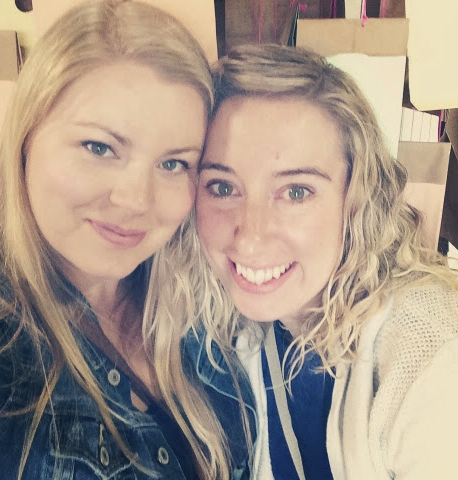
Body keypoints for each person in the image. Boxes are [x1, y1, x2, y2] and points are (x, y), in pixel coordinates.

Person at [0, 2, 255, 479]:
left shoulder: (208, 302)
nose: (136, 201)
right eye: (99, 147)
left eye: (174, 164)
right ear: (26, 139)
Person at [194, 43, 458, 480]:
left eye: (296, 192)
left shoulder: (432, 357)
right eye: (223, 187)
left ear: (355, 198)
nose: (252, 236)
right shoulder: (225, 332)